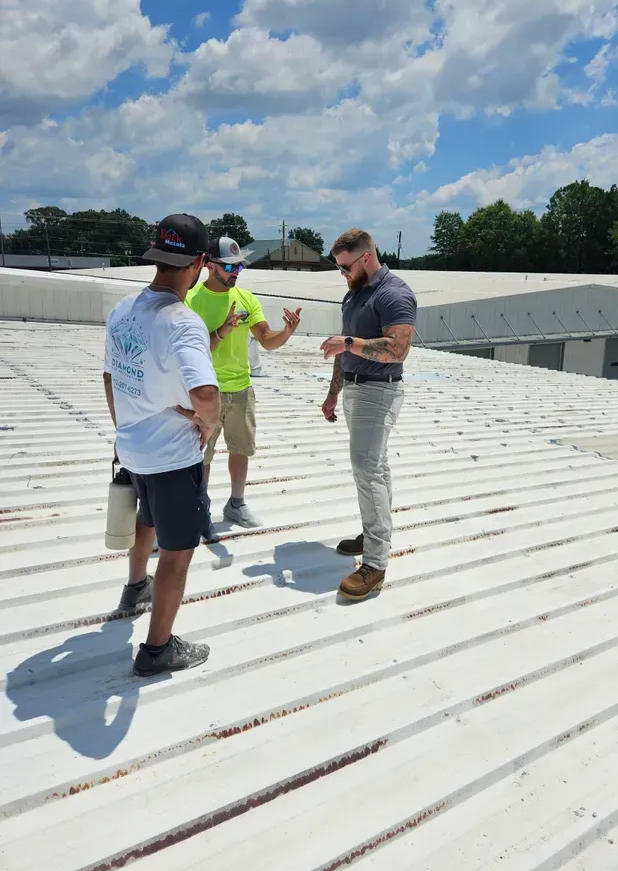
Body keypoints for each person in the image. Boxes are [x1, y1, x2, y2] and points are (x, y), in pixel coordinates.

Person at [103, 213, 220, 677]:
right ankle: (157, 650)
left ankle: (135, 588)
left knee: (145, 523)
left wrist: (124, 428)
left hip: (131, 449)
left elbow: (111, 376)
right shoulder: (182, 322)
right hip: (172, 457)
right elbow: (207, 395)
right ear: (200, 262)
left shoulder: (122, 310)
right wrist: (206, 425)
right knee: (177, 552)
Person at [320, 228, 417, 601]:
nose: (341, 273)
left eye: (344, 266)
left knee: (366, 467)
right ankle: (373, 533)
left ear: (365, 257)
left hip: (380, 392)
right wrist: (333, 394)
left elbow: (397, 349)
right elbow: (347, 353)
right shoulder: (355, 294)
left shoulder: (394, 294)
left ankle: (375, 561)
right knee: (376, 466)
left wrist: (348, 342)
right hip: (356, 391)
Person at [186, 235, 302, 528]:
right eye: (229, 267)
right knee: (201, 455)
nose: (236, 273)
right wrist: (222, 331)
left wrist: (286, 332)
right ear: (210, 265)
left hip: (241, 390)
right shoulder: (190, 300)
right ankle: (200, 509)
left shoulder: (247, 299)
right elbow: (192, 351)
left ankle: (236, 505)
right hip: (204, 391)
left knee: (240, 449)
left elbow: (266, 340)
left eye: (239, 267)